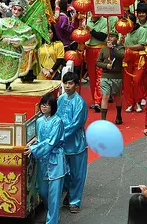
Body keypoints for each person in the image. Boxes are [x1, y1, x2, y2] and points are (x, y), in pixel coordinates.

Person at [25, 93, 67, 224]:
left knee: (54, 194)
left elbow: (51, 142)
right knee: (43, 191)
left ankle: (52, 220)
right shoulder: (39, 121)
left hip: (55, 159)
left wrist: (34, 149)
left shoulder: (58, 121)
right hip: (43, 160)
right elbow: (40, 139)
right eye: (42, 104)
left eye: (47, 104)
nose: (44, 107)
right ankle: (52, 213)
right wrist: (32, 145)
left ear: (52, 106)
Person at [57, 72, 87, 213]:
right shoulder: (61, 99)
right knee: (64, 172)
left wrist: (59, 136)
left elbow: (76, 124)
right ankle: (69, 193)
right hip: (61, 143)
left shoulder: (80, 102)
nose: (67, 86)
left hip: (76, 144)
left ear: (76, 85)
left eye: (70, 83)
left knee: (77, 174)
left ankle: (75, 201)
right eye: (65, 83)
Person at [96, 33, 125, 123]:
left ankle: (119, 115)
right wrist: (105, 65)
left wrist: (112, 48)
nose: (110, 38)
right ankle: (103, 119)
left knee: (117, 96)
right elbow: (98, 62)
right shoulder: (104, 48)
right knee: (105, 96)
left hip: (117, 76)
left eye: (112, 36)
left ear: (117, 38)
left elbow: (121, 56)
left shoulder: (120, 47)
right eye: (109, 36)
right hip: (105, 75)